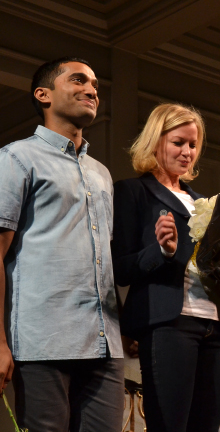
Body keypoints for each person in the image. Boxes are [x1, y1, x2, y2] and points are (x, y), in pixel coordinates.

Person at [111, 103, 220, 432]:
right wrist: (161, 251)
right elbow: (120, 269)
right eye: (178, 142)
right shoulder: (133, 192)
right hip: (169, 326)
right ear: (155, 141)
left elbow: (216, 266)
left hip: (217, 329)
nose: (187, 152)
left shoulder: (206, 203)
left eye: (193, 145)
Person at [0, 57, 124, 431]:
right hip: (44, 340)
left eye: (95, 86)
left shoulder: (101, 173)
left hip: (105, 343)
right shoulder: (17, 158)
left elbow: (103, 259)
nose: (91, 90)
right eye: (78, 80)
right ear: (44, 94)